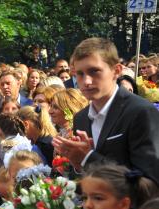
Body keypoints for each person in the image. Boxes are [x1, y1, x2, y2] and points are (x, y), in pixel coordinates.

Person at [52, 38, 159, 184]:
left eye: (94, 71)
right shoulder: (81, 118)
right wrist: (77, 165)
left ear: (117, 71)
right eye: (80, 74)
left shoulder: (141, 112)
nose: (86, 81)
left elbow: (149, 182)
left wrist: (88, 158)